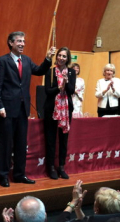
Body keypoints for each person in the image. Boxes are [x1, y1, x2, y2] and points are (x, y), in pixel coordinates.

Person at [0, 31, 55, 187]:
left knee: (21, 144)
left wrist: (48, 58)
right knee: (6, 144)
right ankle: (4, 176)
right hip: (6, 109)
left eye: (24, 41)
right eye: (19, 41)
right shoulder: (2, 61)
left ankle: (20, 174)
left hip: (22, 109)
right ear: (11, 43)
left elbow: (39, 71)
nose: (22, 44)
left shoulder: (26, 60)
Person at [43, 47, 76, 180]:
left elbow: (71, 91)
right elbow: (47, 91)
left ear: (67, 59)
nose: (61, 58)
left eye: (64, 56)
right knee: (50, 139)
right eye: (59, 55)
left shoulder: (71, 72)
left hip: (66, 109)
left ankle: (61, 167)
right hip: (52, 109)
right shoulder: (50, 72)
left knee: (63, 140)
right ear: (56, 57)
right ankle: (51, 167)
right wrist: (58, 88)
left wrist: (67, 82)